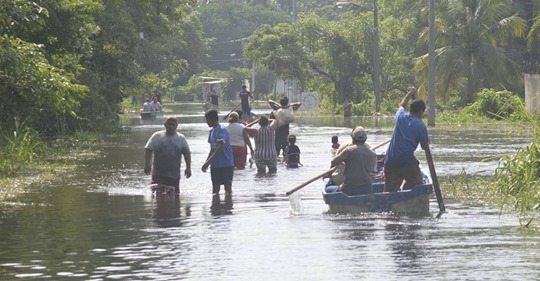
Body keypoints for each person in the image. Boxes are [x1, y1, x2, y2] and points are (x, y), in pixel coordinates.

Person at [384, 86, 430, 192]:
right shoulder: (420, 126)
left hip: (390, 160)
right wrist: (427, 141)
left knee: (389, 191)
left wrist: (409, 94)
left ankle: (389, 204)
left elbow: (402, 105)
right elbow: (424, 146)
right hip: (406, 161)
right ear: (421, 112)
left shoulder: (400, 117)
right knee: (418, 186)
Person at [144, 117, 192, 194]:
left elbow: (187, 153)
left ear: (177, 125)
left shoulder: (181, 138)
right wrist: (147, 164)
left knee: (175, 196)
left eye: (173, 124)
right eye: (169, 124)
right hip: (158, 173)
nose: (171, 127)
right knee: (156, 196)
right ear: (165, 125)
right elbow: (148, 149)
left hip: (174, 174)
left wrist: (188, 168)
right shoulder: (157, 136)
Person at [328, 126, 377, 195]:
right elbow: (373, 171)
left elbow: (334, 162)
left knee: (328, 189)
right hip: (367, 189)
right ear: (365, 139)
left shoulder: (349, 150)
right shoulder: (372, 153)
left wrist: (342, 162)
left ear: (353, 138)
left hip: (349, 189)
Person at [202, 109, 235, 195]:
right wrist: (206, 162)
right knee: (215, 189)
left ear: (212, 119)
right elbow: (212, 149)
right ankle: (216, 207)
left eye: (207, 120)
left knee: (227, 188)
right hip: (215, 165)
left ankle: (228, 206)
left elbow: (220, 147)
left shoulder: (222, 130)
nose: (206, 122)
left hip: (226, 164)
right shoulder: (211, 132)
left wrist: (209, 162)